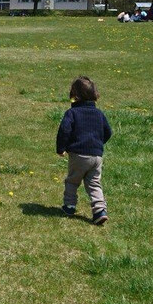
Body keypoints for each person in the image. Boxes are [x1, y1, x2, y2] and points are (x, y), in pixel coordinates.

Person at [55, 76, 113, 225]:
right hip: (97, 156)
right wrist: (98, 144)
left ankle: (69, 205)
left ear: (75, 95)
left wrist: (61, 148)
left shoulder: (72, 113)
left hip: (79, 155)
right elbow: (108, 132)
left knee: (73, 181)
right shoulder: (99, 114)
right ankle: (100, 210)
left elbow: (64, 131)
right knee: (94, 183)